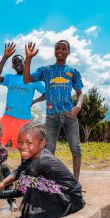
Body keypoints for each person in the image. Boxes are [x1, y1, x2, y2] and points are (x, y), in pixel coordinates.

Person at [0, 122, 84, 218]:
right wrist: (1, 184)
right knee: (29, 184)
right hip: (68, 195)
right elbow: (19, 170)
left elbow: (19, 191)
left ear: (42, 143)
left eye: (29, 143)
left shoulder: (42, 162)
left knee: (31, 192)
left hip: (71, 201)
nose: (23, 147)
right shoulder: (37, 155)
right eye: (20, 142)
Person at [23, 40, 84, 180]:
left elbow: (80, 93)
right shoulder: (46, 70)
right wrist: (28, 59)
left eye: (64, 48)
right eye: (58, 48)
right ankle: (49, 182)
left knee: (76, 148)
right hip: (51, 116)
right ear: (54, 51)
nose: (60, 51)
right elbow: (26, 79)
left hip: (70, 115)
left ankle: (76, 182)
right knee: (48, 151)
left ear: (68, 52)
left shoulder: (73, 72)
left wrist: (78, 106)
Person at [0, 42, 45, 149]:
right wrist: (5, 57)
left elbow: (47, 94)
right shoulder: (10, 78)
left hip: (24, 119)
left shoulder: (33, 79)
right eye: (15, 63)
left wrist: (35, 101)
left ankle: (24, 166)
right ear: (13, 66)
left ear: (25, 62)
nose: (17, 64)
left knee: (23, 148)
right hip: (7, 117)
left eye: (19, 62)